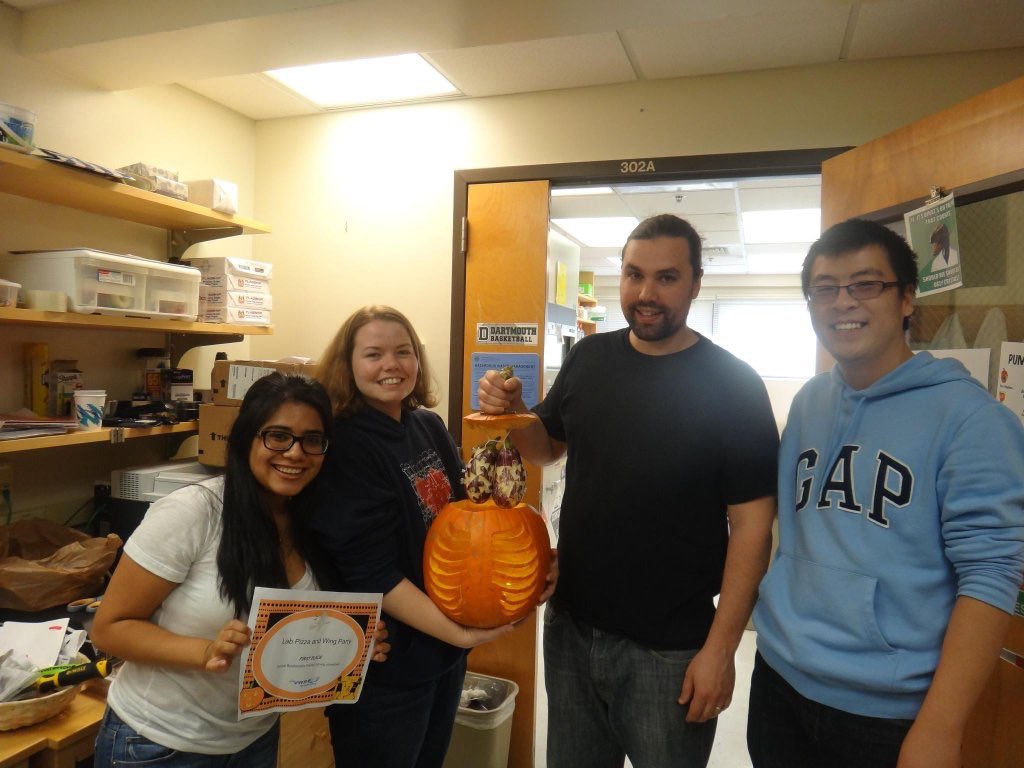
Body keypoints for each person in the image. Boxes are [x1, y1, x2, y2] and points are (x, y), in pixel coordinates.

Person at [478, 214, 780, 768]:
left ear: (696, 283)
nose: (646, 294)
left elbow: (752, 528)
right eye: (634, 274)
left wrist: (721, 650)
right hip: (571, 632)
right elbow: (546, 448)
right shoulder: (589, 358)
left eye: (667, 277)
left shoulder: (734, 385)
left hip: (670, 650)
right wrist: (515, 412)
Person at [748, 218, 1024, 768]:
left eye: (866, 284)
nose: (843, 302)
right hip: (778, 679)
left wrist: (942, 726)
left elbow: (991, 572)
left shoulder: (971, 419)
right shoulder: (808, 403)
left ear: (906, 298)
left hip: (884, 714)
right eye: (825, 288)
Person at [91, 372, 389, 767]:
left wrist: (351, 642)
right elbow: (109, 629)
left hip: (254, 739)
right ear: (246, 438)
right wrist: (206, 651)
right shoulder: (194, 511)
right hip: (157, 744)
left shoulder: (315, 520)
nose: (295, 453)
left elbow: (290, 632)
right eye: (278, 436)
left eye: (312, 440)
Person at [310, 305, 517, 768]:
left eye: (403, 352)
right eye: (374, 354)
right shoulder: (346, 445)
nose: (392, 364)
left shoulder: (427, 425)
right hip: (386, 668)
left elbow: (467, 523)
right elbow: (371, 572)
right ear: (348, 365)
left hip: (441, 655)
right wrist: (459, 634)